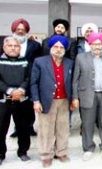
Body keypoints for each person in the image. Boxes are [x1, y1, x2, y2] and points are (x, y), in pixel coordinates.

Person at [31, 35, 74, 168]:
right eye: (56, 46)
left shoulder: (69, 63)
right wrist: (36, 101)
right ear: (51, 47)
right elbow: (34, 83)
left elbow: (72, 82)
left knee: (63, 128)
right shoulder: (40, 62)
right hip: (46, 100)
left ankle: (61, 152)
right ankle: (46, 155)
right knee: (46, 129)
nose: (58, 49)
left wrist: (73, 99)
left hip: (64, 100)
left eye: (61, 47)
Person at [0, 36, 32, 167]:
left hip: (22, 101)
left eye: (16, 46)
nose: (13, 48)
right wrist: (10, 91)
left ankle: (23, 152)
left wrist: (21, 90)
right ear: (4, 47)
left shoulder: (26, 61)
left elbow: (29, 78)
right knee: (0, 129)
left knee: (24, 128)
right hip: (2, 102)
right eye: (10, 46)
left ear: (20, 48)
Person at [72, 32, 102, 161]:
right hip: (87, 95)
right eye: (94, 44)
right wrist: (75, 97)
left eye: (99, 44)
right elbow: (75, 79)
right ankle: (88, 148)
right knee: (87, 123)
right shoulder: (80, 57)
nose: (97, 46)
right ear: (89, 44)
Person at [9, 18, 42, 138]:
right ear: (14, 30)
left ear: (26, 31)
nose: (20, 32)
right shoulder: (9, 44)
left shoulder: (35, 45)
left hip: (30, 78)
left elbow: (39, 62)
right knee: (15, 106)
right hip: (13, 79)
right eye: (18, 29)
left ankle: (30, 126)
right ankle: (17, 128)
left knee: (29, 106)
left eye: (23, 30)